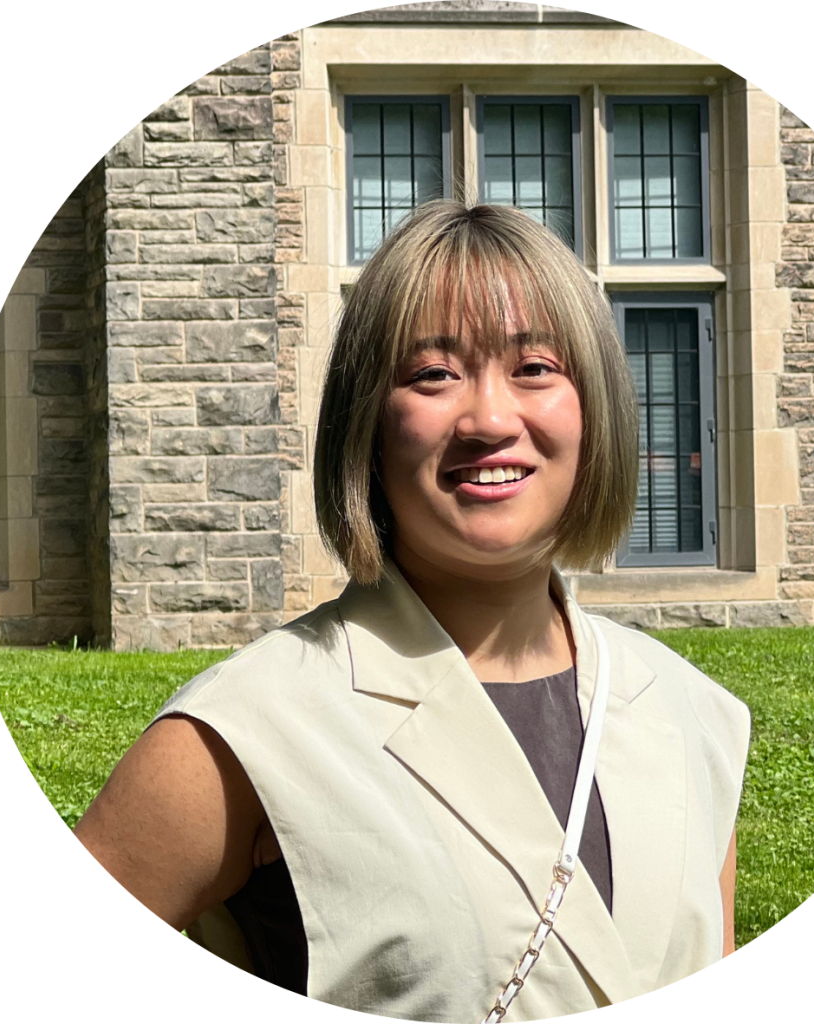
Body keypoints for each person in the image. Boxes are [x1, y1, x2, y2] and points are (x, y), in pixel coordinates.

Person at [73, 200, 750, 1021]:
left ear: (594, 409)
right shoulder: (244, 732)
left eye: (536, 367)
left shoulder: (695, 715)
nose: (490, 420)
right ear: (367, 424)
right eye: (433, 374)